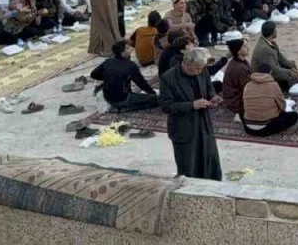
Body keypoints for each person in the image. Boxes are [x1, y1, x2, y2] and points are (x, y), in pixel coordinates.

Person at [159, 47, 223, 180]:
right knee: (189, 163)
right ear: (186, 63)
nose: (199, 72)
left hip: (203, 123)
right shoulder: (168, 78)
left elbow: (208, 87)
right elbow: (166, 106)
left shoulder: (202, 70)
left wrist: (212, 97)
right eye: (196, 69)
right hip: (184, 126)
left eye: (201, 69)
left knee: (208, 157)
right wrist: (192, 105)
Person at [91, 41, 159, 112]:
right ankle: (125, 108)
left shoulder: (108, 61)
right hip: (123, 99)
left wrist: (107, 78)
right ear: (122, 52)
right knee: (155, 99)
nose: (130, 49)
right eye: (127, 48)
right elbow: (142, 84)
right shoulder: (130, 65)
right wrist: (153, 93)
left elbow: (93, 74)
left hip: (108, 97)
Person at [240, 62, 298, 137]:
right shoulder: (273, 85)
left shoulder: (248, 85)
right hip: (265, 128)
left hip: (248, 128)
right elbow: (282, 105)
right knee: (293, 116)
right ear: (270, 72)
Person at [249, 21, 298, 91]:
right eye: (275, 29)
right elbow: (273, 70)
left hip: (274, 70)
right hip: (264, 76)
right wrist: (289, 72)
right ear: (273, 32)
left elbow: (281, 59)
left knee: (292, 66)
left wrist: (292, 66)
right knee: (290, 77)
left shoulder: (270, 43)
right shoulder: (264, 49)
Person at [219, 40, 252, 115]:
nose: (248, 48)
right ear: (238, 51)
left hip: (233, 98)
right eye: (244, 46)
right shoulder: (240, 68)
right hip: (235, 101)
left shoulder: (239, 62)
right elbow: (248, 88)